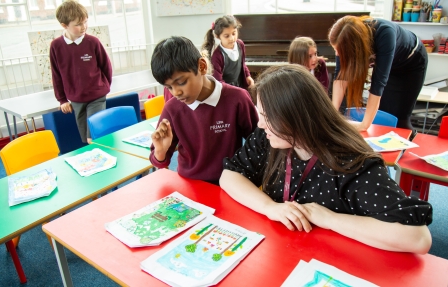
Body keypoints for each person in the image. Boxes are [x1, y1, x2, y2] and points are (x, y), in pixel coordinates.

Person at [220, 64, 433, 254]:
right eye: (261, 115)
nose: (260, 125)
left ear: (296, 117)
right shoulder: (271, 138)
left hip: (336, 259)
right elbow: (229, 175)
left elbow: (418, 238)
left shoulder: (350, 162)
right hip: (287, 250)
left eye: (267, 117)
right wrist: (270, 207)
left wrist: (329, 219)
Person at [149, 36, 258, 185]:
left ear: (201, 66)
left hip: (231, 183)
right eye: (168, 87)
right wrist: (161, 151)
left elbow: (259, 142)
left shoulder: (237, 98)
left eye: (181, 82)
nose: (175, 92)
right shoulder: (172, 108)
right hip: (190, 185)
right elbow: (160, 162)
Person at [329, 16, 428, 132]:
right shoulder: (343, 41)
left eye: (339, 51)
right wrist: (332, 115)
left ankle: (411, 143)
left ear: (355, 47)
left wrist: (363, 125)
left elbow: (378, 84)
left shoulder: (385, 34)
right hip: (390, 64)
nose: (337, 54)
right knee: (383, 115)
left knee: (399, 119)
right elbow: (340, 76)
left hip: (411, 64)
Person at [50, 0, 112, 144]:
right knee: (84, 138)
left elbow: (106, 66)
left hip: (97, 96)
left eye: (85, 22)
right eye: (78, 24)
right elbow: (56, 74)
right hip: (76, 98)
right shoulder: (56, 46)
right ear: (64, 25)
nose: (84, 27)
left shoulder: (93, 42)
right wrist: (62, 99)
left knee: (93, 136)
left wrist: (103, 86)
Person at [202, 15, 254, 91]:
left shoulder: (240, 44)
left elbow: (242, 64)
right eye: (226, 36)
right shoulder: (217, 56)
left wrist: (248, 76)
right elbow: (218, 81)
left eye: (234, 33)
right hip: (227, 90)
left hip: (241, 86)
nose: (232, 38)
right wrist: (234, 91)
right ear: (217, 36)